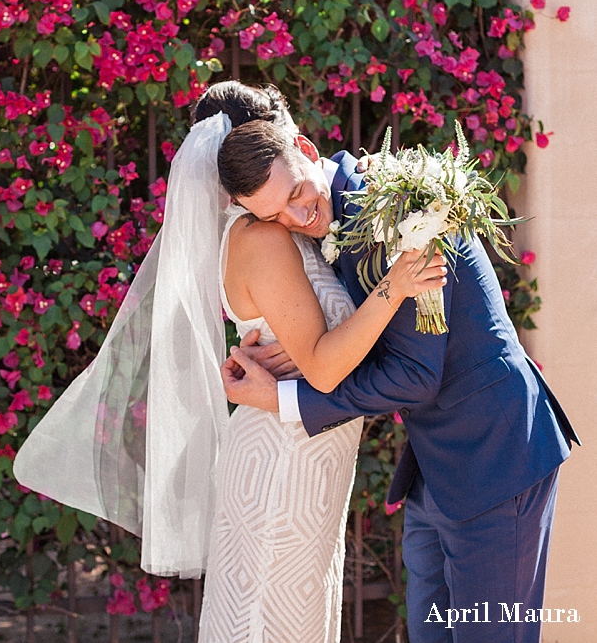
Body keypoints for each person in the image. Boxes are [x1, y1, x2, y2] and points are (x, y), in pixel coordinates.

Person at [13, 81, 445, 642]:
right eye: (281, 126)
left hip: (307, 455)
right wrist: (395, 286)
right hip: (282, 464)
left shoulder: (284, 224)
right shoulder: (261, 237)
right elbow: (323, 366)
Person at [218, 112, 580, 643]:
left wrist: (286, 398)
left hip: (495, 457)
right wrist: (281, 349)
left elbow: (414, 375)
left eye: (297, 192)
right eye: (277, 215)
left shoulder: (401, 211)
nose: (298, 216)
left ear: (307, 147)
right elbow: (358, 332)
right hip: (437, 467)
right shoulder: (332, 214)